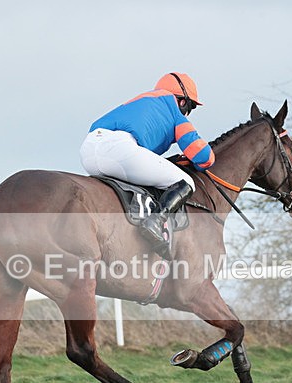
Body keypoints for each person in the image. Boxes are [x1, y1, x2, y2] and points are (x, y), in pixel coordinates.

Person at [80, 72, 215, 254]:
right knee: (186, 183)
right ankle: (155, 221)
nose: (188, 113)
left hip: (88, 150)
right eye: (190, 107)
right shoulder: (174, 112)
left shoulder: (139, 101)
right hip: (119, 150)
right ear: (182, 101)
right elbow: (203, 156)